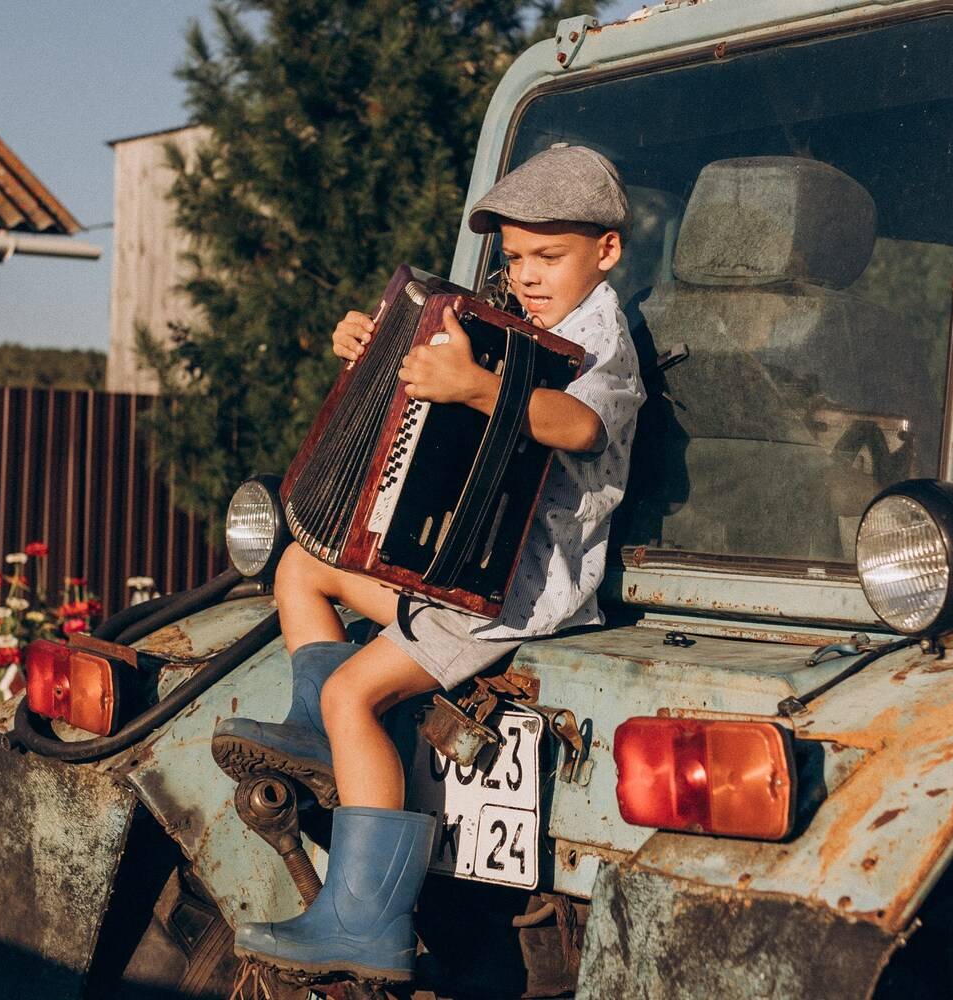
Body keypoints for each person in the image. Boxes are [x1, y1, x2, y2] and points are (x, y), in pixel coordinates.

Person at [213, 144, 645, 983]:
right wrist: (375, 343)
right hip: (468, 567)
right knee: (302, 567)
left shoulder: (603, 343)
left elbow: (580, 426)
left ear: (607, 250)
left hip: (516, 591)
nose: (527, 275)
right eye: (514, 257)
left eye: (549, 256)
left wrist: (477, 388)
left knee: (354, 694)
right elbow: (434, 374)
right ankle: (317, 737)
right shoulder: (526, 325)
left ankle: (366, 922)